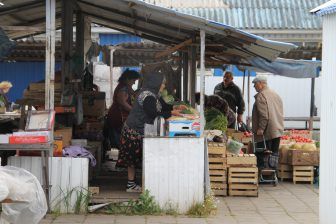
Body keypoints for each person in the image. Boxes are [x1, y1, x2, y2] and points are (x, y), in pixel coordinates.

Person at [116, 69, 182, 192]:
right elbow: (152, 113)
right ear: (155, 83)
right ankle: (131, 185)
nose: (163, 86)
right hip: (133, 130)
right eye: (162, 83)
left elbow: (162, 106)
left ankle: (136, 183)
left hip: (138, 129)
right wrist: (171, 113)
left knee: (136, 158)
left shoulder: (153, 94)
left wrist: (176, 107)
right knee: (132, 159)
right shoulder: (147, 96)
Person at [252, 75, 284, 169]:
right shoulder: (275, 94)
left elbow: (264, 115)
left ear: (261, 84)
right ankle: (271, 176)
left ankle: (262, 176)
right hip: (276, 129)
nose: (254, 87)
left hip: (266, 132)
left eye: (255, 84)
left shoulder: (261, 96)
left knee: (261, 155)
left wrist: (261, 128)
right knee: (273, 154)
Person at [106, 69, 141, 149]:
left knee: (122, 142)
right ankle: (123, 159)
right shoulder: (123, 88)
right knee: (122, 143)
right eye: (133, 80)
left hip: (120, 117)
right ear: (127, 79)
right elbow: (122, 103)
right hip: (118, 117)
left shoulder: (126, 87)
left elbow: (133, 94)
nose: (134, 82)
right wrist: (134, 111)